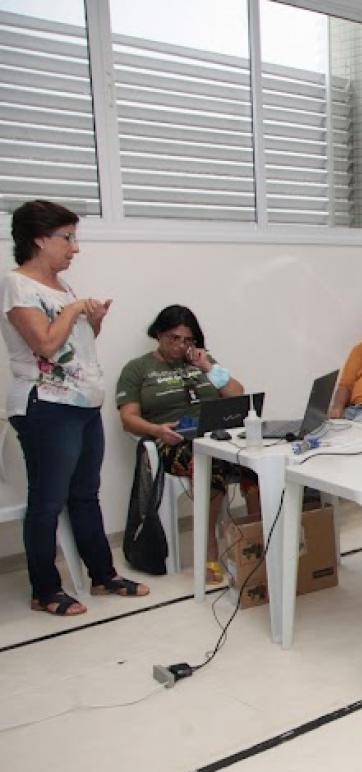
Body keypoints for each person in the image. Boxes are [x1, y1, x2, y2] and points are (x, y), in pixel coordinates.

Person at [2, 200, 149, 616]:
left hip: (83, 403)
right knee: (48, 501)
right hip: (45, 405)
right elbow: (45, 345)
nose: (75, 248)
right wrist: (72, 310)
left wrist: (94, 319)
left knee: (85, 495)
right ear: (38, 238)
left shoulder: (61, 287)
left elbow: (75, 346)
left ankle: (104, 575)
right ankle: (44, 589)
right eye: (67, 238)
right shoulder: (17, 285)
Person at [116, 305, 260, 584]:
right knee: (211, 466)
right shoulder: (138, 369)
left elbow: (237, 394)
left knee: (254, 461)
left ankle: (254, 539)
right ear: (158, 334)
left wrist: (206, 366)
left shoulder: (202, 362)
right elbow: (128, 418)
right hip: (172, 440)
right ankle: (210, 552)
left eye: (188, 340)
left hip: (214, 434)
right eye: (174, 338)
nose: (181, 346)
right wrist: (156, 429)